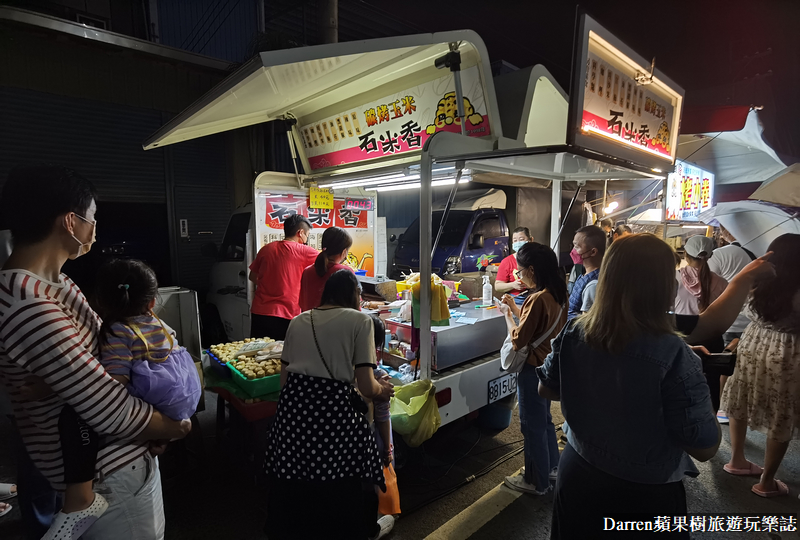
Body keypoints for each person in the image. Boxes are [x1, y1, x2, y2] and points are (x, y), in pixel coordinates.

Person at [0, 165, 191, 540]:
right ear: (70, 222)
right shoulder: (30, 304)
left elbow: (96, 353)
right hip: (109, 475)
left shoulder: (58, 282)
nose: (95, 230)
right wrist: (177, 426)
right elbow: (108, 407)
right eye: (93, 219)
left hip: (119, 460)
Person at [537, 234, 721, 539]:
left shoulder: (574, 331)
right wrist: (696, 383)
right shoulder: (675, 354)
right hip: (645, 495)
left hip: (578, 473)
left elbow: (547, 389)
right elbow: (704, 446)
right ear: (665, 287)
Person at [265, 270, 394, 540]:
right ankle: (363, 530)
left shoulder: (298, 320)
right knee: (345, 477)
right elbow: (368, 386)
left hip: (293, 409)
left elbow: (284, 380)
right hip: (334, 412)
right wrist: (383, 390)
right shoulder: (361, 321)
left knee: (298, 473)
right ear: (353, 294)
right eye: (359, 293)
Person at [721, 234, 800, 498]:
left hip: (753, 342)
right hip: (788, 351)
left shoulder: (756, 282)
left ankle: (737, 459)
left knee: (741, 398)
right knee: (782, 410)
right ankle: (766, 482)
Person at [496, 243, 567, 495]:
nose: (519, 276)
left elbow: (518, 339)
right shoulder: (558, 293)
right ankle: (551, 468)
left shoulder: (536, 298)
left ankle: (536, 481)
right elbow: (538, 325)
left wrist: (506, 314)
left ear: (533, 270)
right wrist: (517, 309)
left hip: (531, 369)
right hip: (548, 366)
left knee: (531, 425)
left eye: (521, 271)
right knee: (545, 421)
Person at [707, 229, 754, 424]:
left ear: (727, 232)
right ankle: (735, 407)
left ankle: (721, 408)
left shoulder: (718, 255)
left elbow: (706, 284)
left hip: (728, 320)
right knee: (740, 367)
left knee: (723, 364)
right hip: (750, 322)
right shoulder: (755, 257)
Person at [249, 214, 319, 340]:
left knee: (257, 354)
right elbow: (328, 262)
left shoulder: (266, 249)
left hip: (260, 312)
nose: (306, 239)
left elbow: (252, 277)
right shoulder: (305, 251)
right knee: (284, 355)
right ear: (300, 232)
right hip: (287, 313)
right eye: (307, 236)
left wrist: (271, 283)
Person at [299, 226, 353, 312]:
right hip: (336, 324)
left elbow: (302, 304)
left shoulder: (307, 271)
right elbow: (355, 308)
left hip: (309, 323)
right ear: (344, 252)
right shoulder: (345, 272)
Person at [674, 235, 728, 317]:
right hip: (708, 328)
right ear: (710, 255)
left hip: (679, 328)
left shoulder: (673, 277)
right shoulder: (722, 283)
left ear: (685, 253)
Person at [567, 225, 605, 320]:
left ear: (592, 252)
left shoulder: (594, 285)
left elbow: (586, 325)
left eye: (577, 247)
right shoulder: (584, 275)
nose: (573, 251)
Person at [495, 227, 533, 306]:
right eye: (515, 240)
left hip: (535, 299)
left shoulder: (538, 259)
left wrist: (532, 284)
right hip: (515, 301)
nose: (518, 243)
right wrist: (513, 285)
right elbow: (497, 286)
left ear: (531, 240)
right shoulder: (506, 262)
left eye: (521, 239)